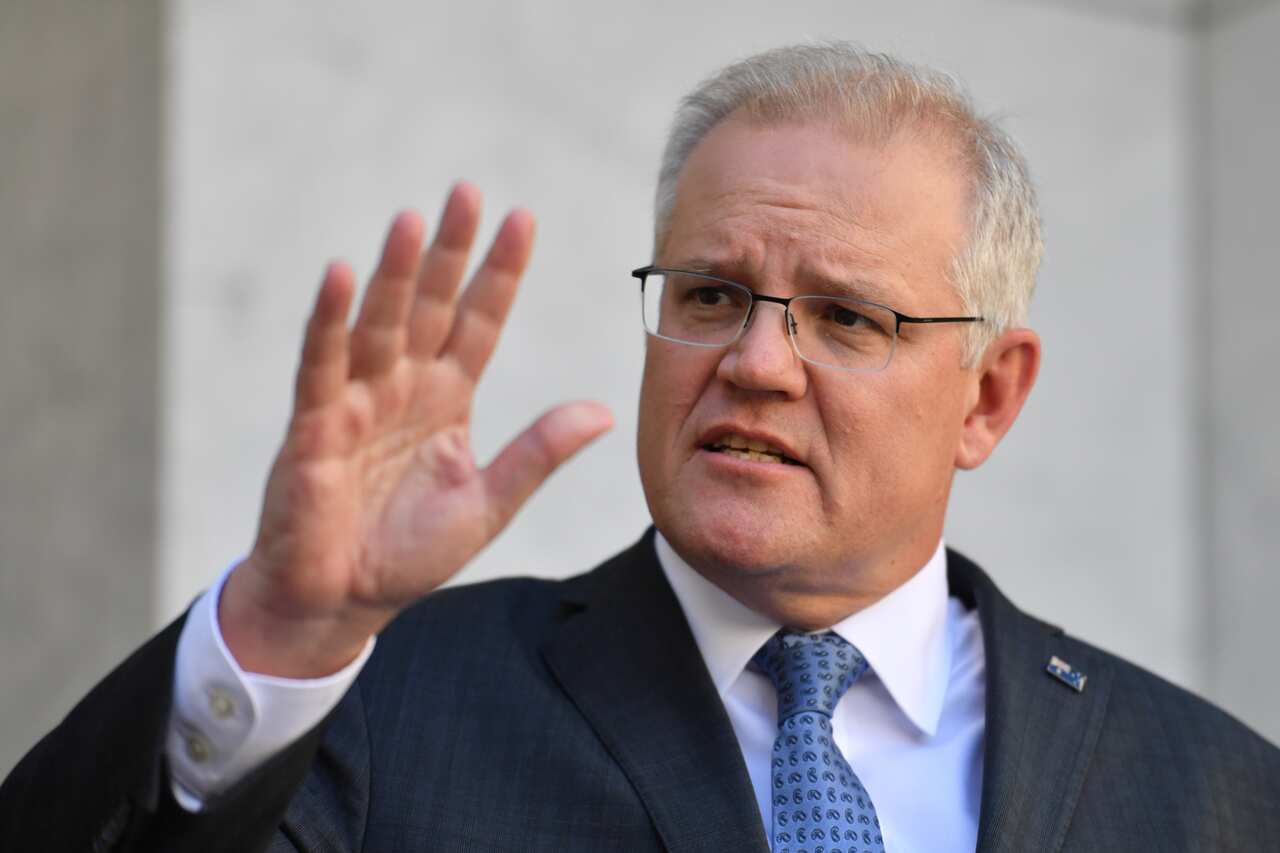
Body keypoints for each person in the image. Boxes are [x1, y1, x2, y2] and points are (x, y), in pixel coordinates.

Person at [3, 42, 1278, 853]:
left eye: (843, 316)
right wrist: (279, 636)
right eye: (710, 295)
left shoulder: (1211, 792)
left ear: (986, 397)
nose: (756, 362)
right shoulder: (384, 701)